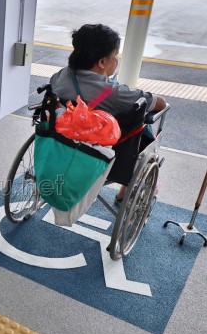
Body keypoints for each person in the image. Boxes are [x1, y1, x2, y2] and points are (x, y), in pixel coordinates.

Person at [50, 23, 167, 202]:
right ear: (102, 62)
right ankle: (127, 189)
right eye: (115, 55)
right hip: (98, 155)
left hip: (60, 147)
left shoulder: (60, 76)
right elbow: (159, 103)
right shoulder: (114, 93)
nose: (117, 59)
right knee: (142, 126)